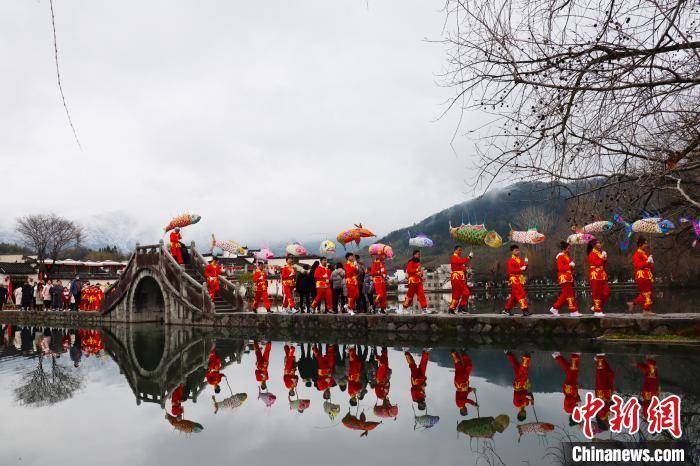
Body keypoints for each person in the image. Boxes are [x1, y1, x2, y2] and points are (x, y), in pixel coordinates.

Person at [550, 241, 580, 316]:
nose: (569, 249)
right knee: (570, 294)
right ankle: (573, 311)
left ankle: (554, 308)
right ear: (565, 248)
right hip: (564, 278)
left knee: (565, 295)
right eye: (568, 248)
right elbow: (560, 268)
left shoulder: (566, 256)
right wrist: (569, 265)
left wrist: (572, 266)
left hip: (568, 277)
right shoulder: (560, 256)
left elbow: (569, 267)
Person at [552, 352, 581, 423]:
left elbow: (568, 399)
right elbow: (577, 397)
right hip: (573, 389)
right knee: (569, 370)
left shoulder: (568, 410)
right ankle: (557, 356)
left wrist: (577, 401)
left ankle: (575, 355)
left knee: (574, 371)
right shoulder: (576, 409)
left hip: (569, 390)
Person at [628, 237, 654, 315]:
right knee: (647, 293)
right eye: (645, 243)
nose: (646, 245)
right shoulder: (637, 254)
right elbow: (638, 265)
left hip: (647, 275)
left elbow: (649, 267)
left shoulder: (644, 254)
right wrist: (647, 262)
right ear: (640, 244)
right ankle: (646, 310)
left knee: (645, 293)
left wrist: (651, 262)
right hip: (641, 275)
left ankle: (633, 304)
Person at [502, 245, 531, 316]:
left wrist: (526, 264)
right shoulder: (510, 261)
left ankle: (507, 309)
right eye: (516, 250)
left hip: (520, 279)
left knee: (514, 296)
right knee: (521, 294)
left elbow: (523, 269)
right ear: (512, 252)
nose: (517, 251)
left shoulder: (520, 260)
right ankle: (525, 310)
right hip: (514, 279)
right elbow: (511, 271)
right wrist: (521, 269)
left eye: (518, 250)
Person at [506, 350, 533, 421]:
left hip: (518, 386)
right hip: (524, 386)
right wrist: (531, 398)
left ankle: (526, 356)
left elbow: (518, 395)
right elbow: (528, 394)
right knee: (517, 367)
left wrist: (527, 396)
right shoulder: (526, 404)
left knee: (523, 372)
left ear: (519, 414)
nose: (524, 414)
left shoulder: (517, 404)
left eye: (522, 415)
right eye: (525, 415)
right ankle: (508, 354)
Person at [587, 239, 609, 317]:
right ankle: (597, 310)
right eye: (598, 243)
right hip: (595, 275)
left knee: (606, 292)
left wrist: (605, 258)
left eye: (600, 243)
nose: (600, 244)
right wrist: (602, 258)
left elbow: (604, 265)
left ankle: (596, 306)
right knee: (596, 293)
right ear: (594, 245)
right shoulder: (592, 253)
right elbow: (597, 263)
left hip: (602, 275)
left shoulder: (600, 253)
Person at [452, 351, 477, 416]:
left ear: (462, 411)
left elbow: (467, 400)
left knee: (459, 364)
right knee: (468, 367)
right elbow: (466, 393)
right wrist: (471, 389)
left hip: (460, 381)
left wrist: (473, 404)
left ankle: (454, 351)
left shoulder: (459, 404)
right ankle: (463, 353)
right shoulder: (462, 403)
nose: (466, 410)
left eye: (466, 411)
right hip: (463, 380)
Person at [594, 353, 615, 431]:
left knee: (601, 375)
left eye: (608, 425)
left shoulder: (601, 415)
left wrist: (612, 407)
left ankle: (599, 357)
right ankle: (599, 359)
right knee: (610, 374)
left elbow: (605, 406)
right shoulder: (606, 416)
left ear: (604, 424)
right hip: (607, 394)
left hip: (602, 394)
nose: (609, 423)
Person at [449, 246, 473, 314]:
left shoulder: (458, 258)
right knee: (456, 295)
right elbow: (460, 262)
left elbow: (462, 266)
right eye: (459, 250)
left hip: (461, 279)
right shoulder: (453, 257)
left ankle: (461, 307)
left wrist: (466, 270)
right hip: (456, 278)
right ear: (455, 250)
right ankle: (452, 308)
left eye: (461, 250)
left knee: (466, 292)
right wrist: (469, 257)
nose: (460, 251)